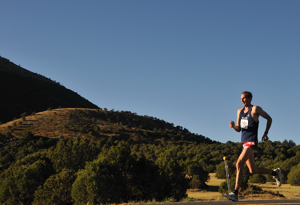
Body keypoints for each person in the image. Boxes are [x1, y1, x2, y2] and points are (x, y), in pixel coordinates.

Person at [227, 91, 282, 202]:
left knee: (238, 164)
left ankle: (235, 193)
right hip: (244, 143)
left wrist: (266, 133)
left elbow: (269, 118)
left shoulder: (255, 109)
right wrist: (233, 126)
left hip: (251, 142)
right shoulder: (239, 111)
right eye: (241, 98)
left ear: (250, 98)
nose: (242, 100)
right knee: (253, 170)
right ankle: (275, 173)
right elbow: (239, 129)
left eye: (244, 98)